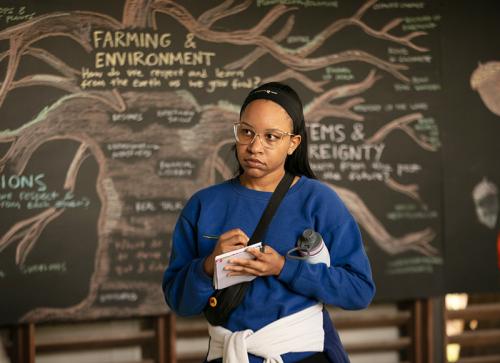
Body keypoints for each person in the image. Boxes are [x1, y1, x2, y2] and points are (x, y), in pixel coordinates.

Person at [162, 82, 375, 363]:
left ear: (293, 143)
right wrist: (207, 266)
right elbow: (180, 302)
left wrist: (284, 268)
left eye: (271, 137)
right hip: (227, 354)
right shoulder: (204, 205)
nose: (255, 147)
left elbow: (359, 291)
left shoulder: (318, 200)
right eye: (246, 132)